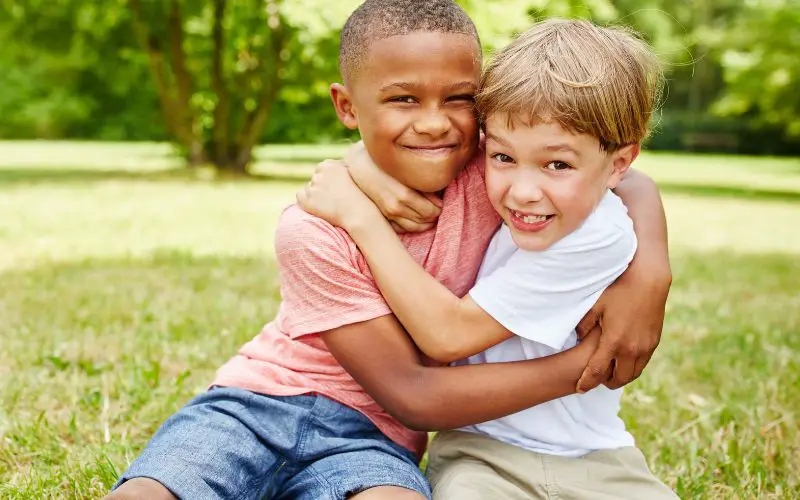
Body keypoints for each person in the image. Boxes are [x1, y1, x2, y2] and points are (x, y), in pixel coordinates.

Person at [106, 2, 671, 499]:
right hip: (255, 406)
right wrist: (583, 365)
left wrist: (650, 273)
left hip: (374, 442)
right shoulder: (317, 226)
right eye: (403, 99)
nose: (433, 123)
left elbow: (626, 180)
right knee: (156, 490)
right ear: (348, 107)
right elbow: (415, 393)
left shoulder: (497, 174)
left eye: (459, 99)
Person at [298, 19, 676, 499]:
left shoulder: (595, 233)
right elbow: (417, 141)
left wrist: (362, 220)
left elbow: (448, 335)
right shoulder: (505, 175)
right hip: (479, 453)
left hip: (598, 458)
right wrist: (356, 167)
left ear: (618, 164)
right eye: (501, 157)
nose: (521, 191)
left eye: (556, 165)